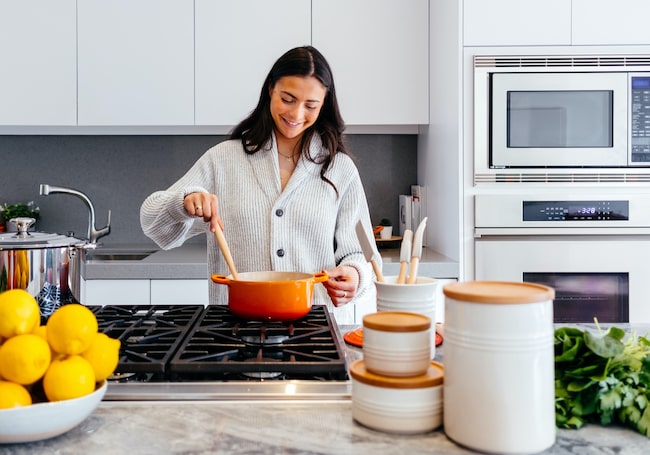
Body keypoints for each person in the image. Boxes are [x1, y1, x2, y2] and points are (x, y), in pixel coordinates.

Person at [140, 45, 379, 323]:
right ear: (270, 91)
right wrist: (183, 203)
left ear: (324, 105)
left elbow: (360, 252)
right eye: (287, 99)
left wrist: (354, 275)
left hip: (314, 332)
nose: (297, 114)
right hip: (233, 331)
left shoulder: (339, 169)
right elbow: (152, 223)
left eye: (311, 105)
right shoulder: (224, 159)